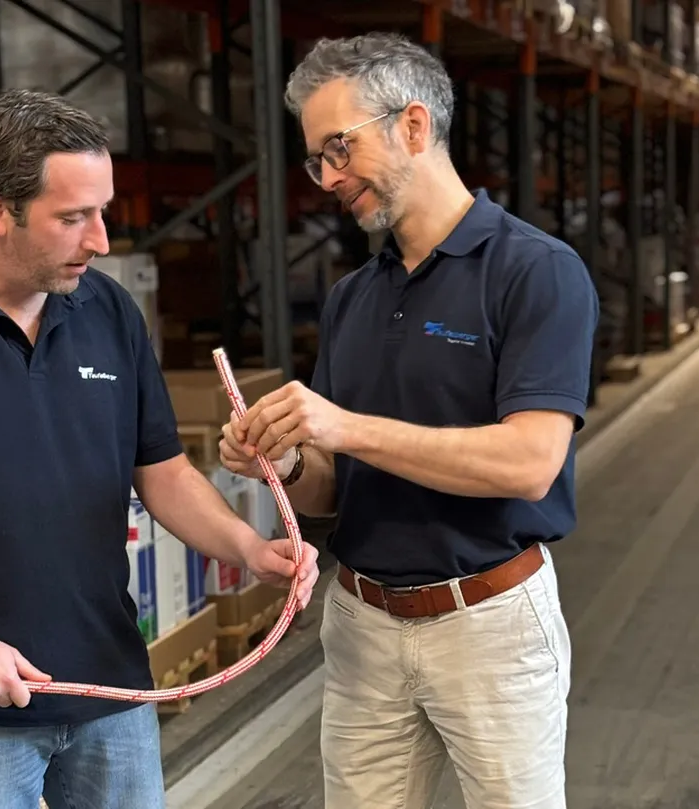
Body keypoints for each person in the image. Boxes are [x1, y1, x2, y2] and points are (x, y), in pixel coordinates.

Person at [0, 88, 318, 809]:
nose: (101, 240)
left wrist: (245, 546)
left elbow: (162, 470)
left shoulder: (108, 311)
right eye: (73, 218)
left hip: (112, 693)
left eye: (101, 212)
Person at [219, 33, 598, 809]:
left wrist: (344, 426)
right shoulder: (354, 297)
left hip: (487, 622)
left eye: (339, 149)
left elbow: (529, 461)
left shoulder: (534, 272)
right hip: (362, 625)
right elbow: (334, 487)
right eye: (315, 160)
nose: (328, 178)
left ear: (414, 127)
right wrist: (285, 459)